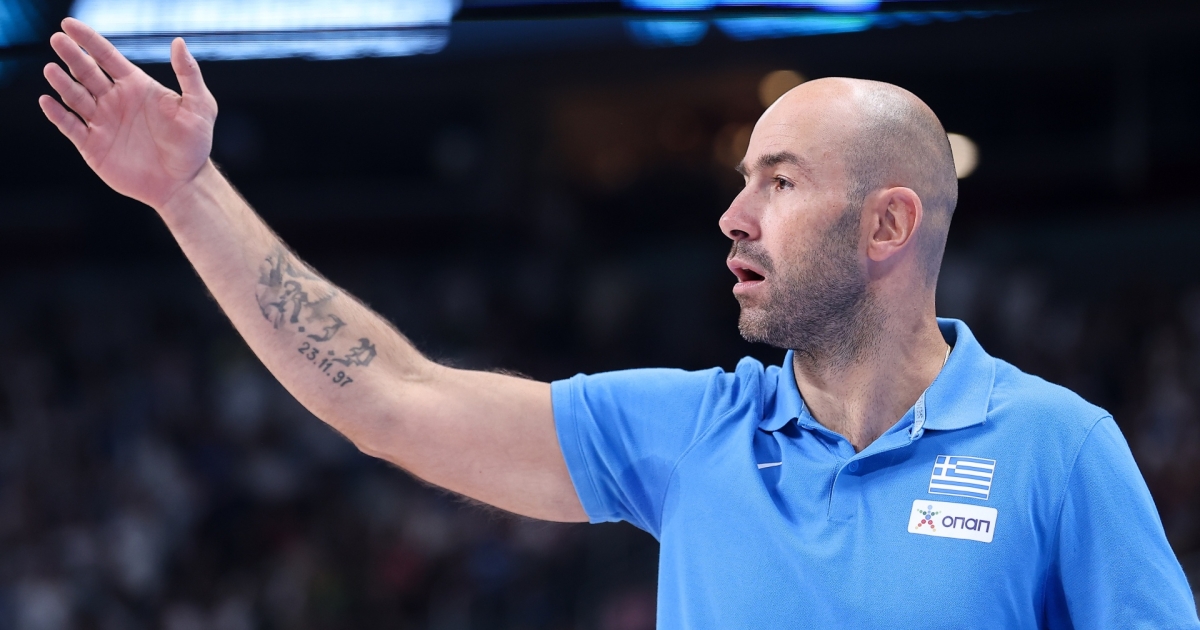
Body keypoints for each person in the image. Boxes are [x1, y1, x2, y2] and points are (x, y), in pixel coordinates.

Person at [39, 18, 1199, 628]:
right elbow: (391, 398)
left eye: (780, 182)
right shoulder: (691, 434)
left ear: (888, 223)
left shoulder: (1058, 450)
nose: (734, 214)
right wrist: (188, 194)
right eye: (743, 180)